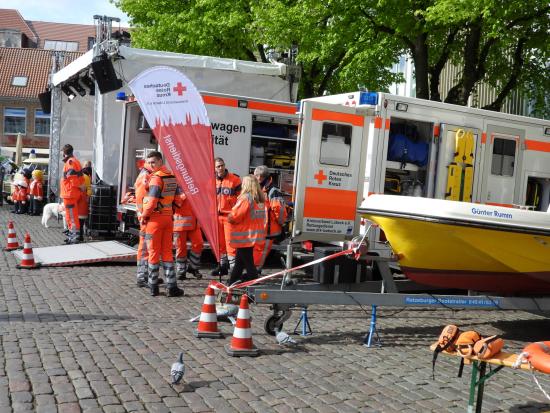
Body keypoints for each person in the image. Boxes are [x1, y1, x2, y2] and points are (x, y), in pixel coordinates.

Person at [140, 151, 184, 297]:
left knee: (153, 252)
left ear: (160, 161)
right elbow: (178, 200)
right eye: (149, 163)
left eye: (153, 162)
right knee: (167, 252)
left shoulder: (156, 178)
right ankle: (172, 287)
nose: (150, 165)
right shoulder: (171, 176)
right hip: (168, 219)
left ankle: (153, 286)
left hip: (155, 220)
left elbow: (152, 201)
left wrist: (144, 215)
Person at [227, 175, 266, 286]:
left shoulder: (246, 198)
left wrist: (229, 217)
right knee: (240, 262)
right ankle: (232, 282)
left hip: (244, 235)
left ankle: (253, 282)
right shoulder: (259, 199)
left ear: (246, 185)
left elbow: (235, 216)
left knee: (248, 263)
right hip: (252, 234)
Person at [253, 165, 288, 272]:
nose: (257, 178)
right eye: (256, 176)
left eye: (258, 176)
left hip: (268, 229)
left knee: (261, 252)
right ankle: (253, 271)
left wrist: (281, 222)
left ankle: (255, 272)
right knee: (258, 251)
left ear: (262, 177)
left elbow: (279, 209)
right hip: (260, 228)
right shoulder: (260, 188)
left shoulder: (272, 190)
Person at [212, 157, 241, 277]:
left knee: (230, 244)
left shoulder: (235, 179)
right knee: (220, 244)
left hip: (229, 216)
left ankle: (234, 270)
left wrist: (236, 213)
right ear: (214, 168)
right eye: (218, 166)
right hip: (216, 217)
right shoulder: (211, 180)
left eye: (222, 165)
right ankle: (223, 266)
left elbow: (241, 199)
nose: (221, 168)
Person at [173, 192, 204, 280]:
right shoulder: (176, 187)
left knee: (199, 244)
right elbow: (173, 204)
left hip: (194, 223)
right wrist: (183, 196)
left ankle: (193, 268)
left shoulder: (194, 186)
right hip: (179, 224)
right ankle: (181, 271)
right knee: (181, 248)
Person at [134, 160, 153, 287]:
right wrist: (144, 214)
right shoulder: (146, 175)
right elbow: (141, 197)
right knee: (145, 247)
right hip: (146, 218)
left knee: (147, 247)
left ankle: (146, 275)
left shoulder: (146, 174)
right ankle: (142, 277)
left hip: (145, 217)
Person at [60, 144, 83, 244]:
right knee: (71, 215)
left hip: (70, 193)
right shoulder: (74, 161)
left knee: (71, 216)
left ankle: (74, 236)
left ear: (64, 153)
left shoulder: (70, 162)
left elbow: (73, 179)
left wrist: (78, 187)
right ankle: (72, 235)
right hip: (71, 193)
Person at [77, 165, 92, 242]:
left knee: (77, 221)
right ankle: (81, 236)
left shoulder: (78, 177)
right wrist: (88, 196)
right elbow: (89, 189)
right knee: (81, 222)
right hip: (83, 203)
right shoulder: (87, 177)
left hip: (78, 202)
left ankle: (78, 236)